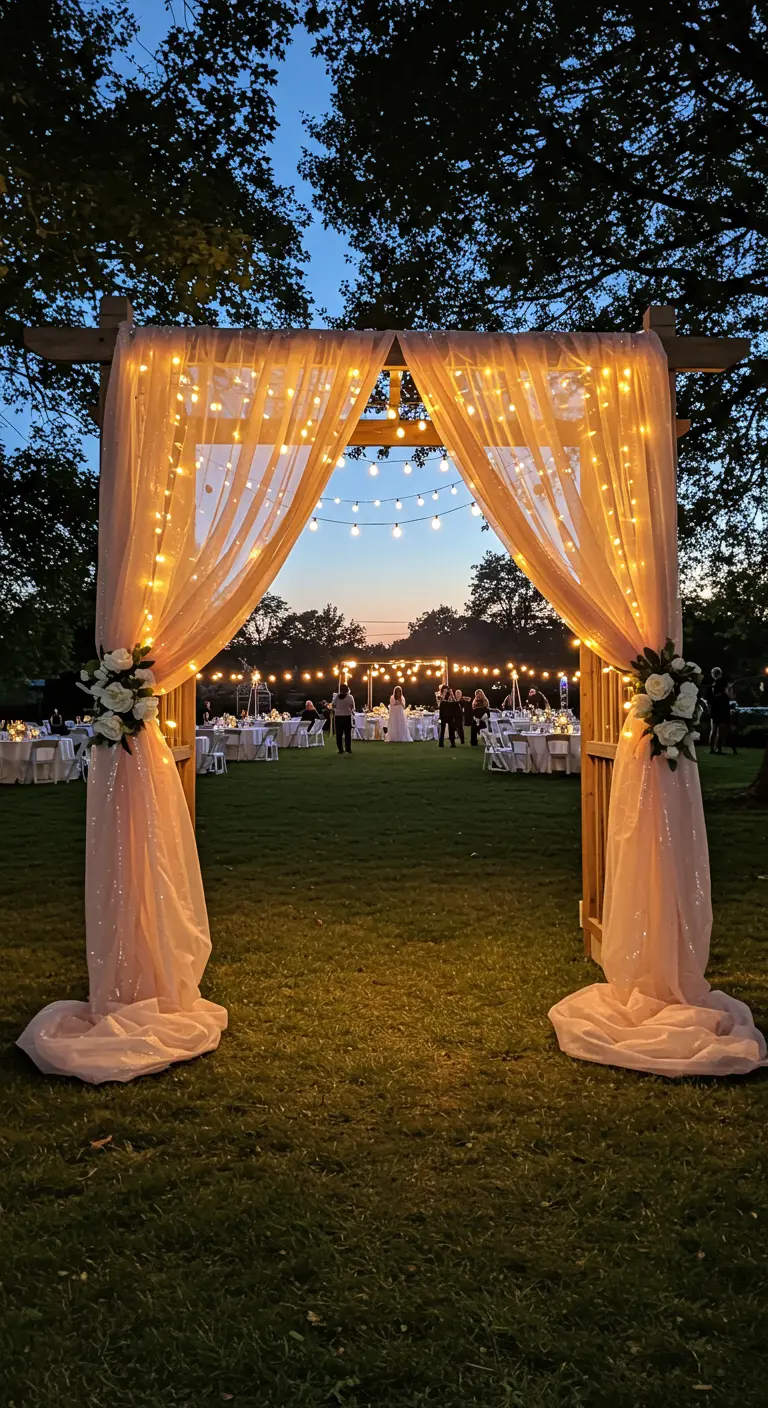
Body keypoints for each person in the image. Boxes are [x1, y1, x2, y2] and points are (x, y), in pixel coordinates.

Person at [708, 668, 736, 755]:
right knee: (717, 730)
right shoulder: (715, 685)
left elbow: (731, 697)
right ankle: (715, 749)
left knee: (717, 730)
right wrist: (726, 690)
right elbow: (716, 695)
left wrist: (729, 689)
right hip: (718, 709)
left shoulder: (721, 684)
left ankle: (716, 749)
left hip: (720, 709)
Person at [332, 683, 355, 754]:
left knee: (339, 734)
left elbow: (333, 705)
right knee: (347, 734)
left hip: (338, 716)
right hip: (347, 716)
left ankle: (340, 749)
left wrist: (338, 708)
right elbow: (352, 706)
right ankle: (348, 748)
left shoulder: (336, 697)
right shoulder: (350, 697)